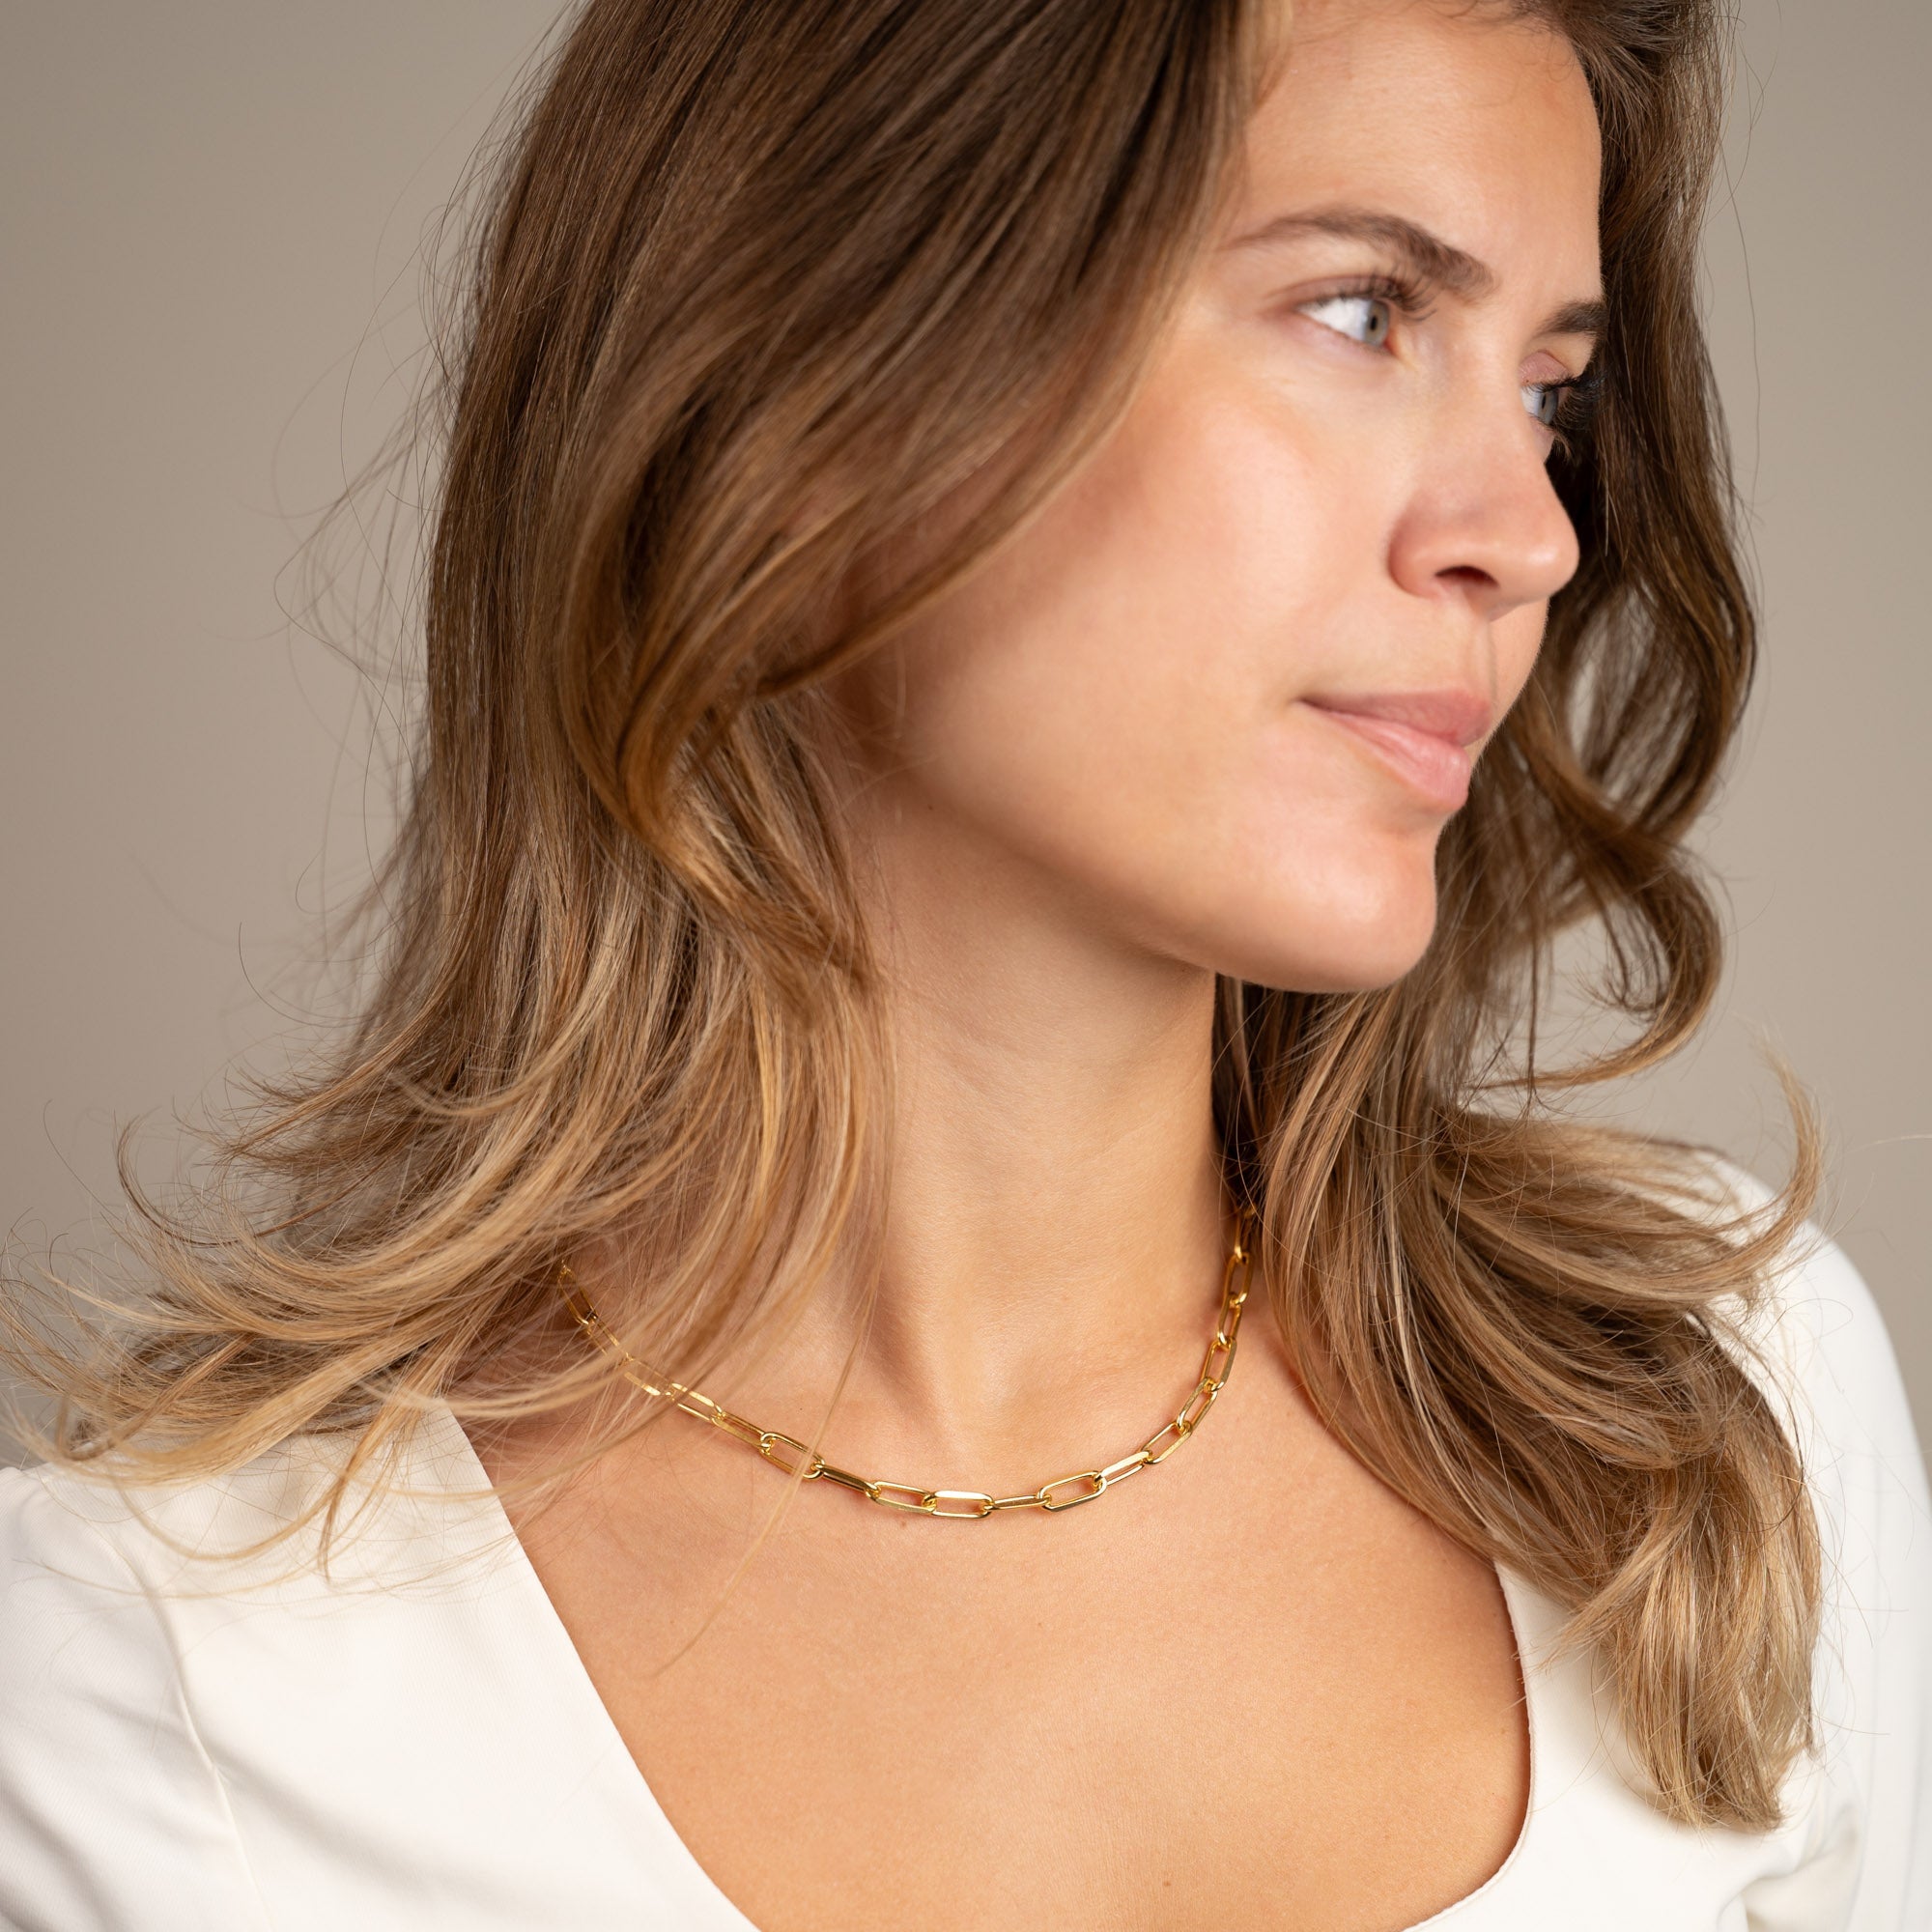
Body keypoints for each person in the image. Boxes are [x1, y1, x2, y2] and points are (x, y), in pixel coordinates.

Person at [3, 0, 1927, 1925]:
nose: (1527, 535)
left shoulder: (1711, 1423)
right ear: (813, 372)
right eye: (1361, 312)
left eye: (1548, 393)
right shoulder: (146, 1690)